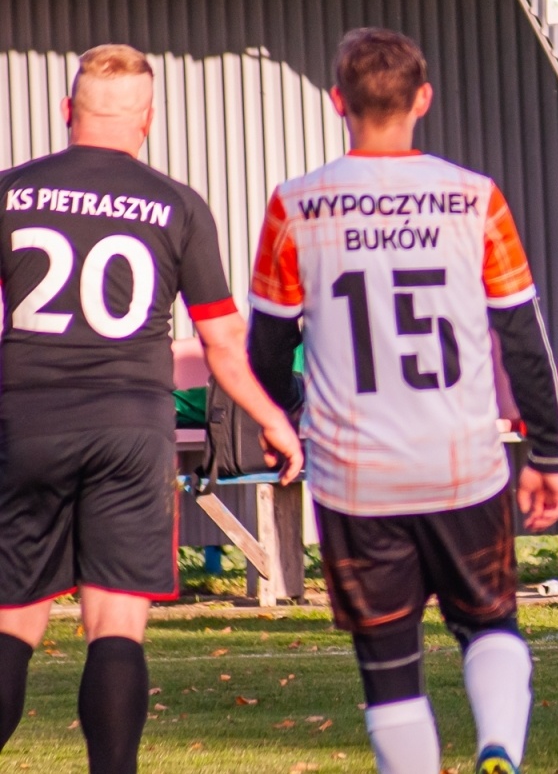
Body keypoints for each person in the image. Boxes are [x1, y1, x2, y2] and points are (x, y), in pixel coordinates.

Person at [247, 28, 558, 774]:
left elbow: (268, 343)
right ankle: (498, 750)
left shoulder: (295, 207)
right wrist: (548, 450)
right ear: (423, 98)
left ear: (338, 102)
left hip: (356, 477)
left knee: (388, 665)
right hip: (461, 464)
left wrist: (280, 417)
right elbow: (522, 336)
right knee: (490, 625)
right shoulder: (474, 198)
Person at [0, 45, 303, 774]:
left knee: (11, 620)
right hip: (132, 430)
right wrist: (271, 417)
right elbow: (224, 342)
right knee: (116, 624)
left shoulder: (9, 191)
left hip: (26, 423)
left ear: (68, 112)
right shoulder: (177, 205)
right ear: (149, 121)